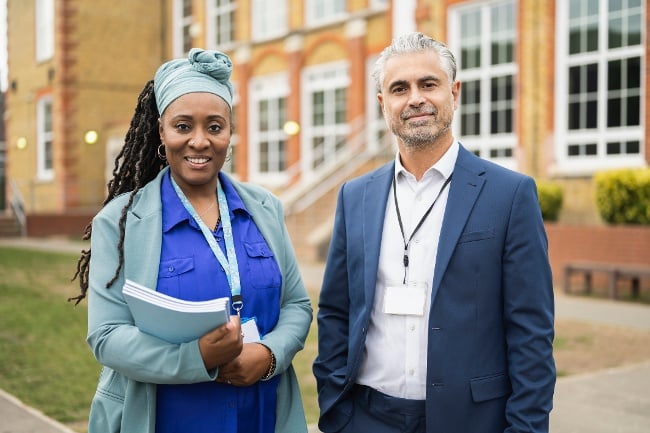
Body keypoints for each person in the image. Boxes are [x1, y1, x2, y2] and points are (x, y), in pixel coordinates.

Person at [313, 32, 555, 433]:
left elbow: (531, 332)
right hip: (367, 418)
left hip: (473, 421)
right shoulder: (354, 196)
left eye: (428, 84)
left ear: (454, 92)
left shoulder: (510, 194)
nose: (415, 99)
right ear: (382, 104)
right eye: (399, 88)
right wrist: (336, 413)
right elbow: (336, 311)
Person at [70, 48, 313, 433]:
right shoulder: (119, 221)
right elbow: (107, 336)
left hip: (260, 414)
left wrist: (269, 355)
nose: (200, 141)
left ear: (230, 133)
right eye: (183, 126)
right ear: (162, 132)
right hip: (168, 416)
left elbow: (296, 305)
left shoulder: (265, 208)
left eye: (214, 127)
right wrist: (196, 358)